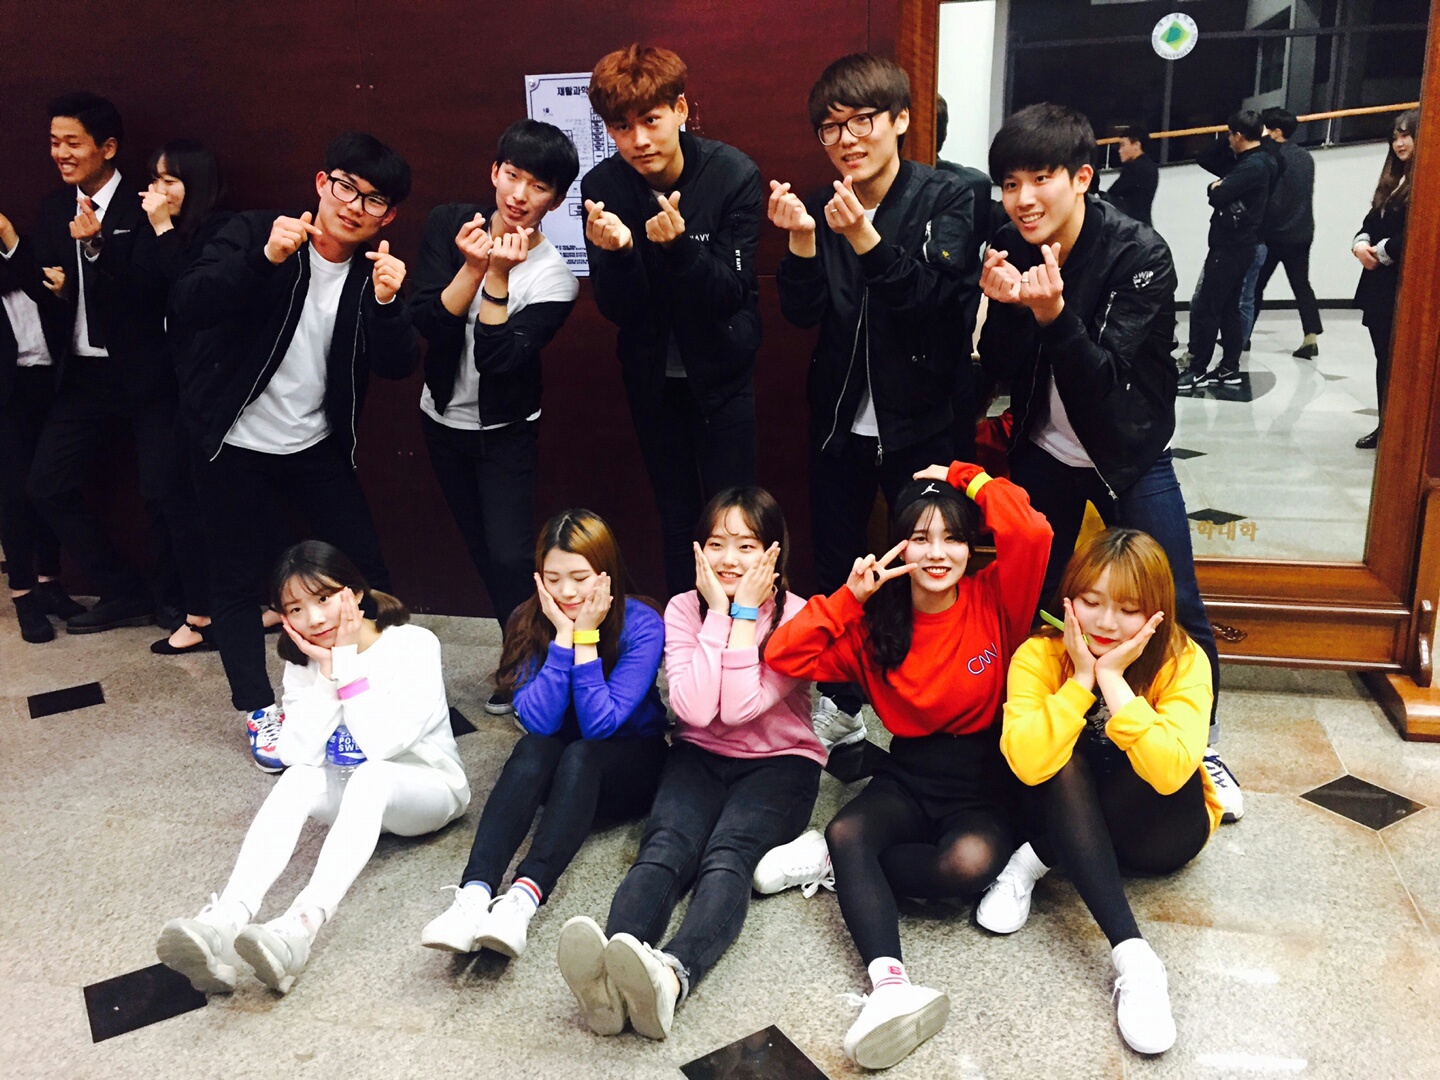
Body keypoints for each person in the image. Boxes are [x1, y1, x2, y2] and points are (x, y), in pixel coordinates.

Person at [977, 102, 1242, 824]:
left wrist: (1052, 314)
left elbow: (1105, 385)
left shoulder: (1140, 255)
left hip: (1129, 451)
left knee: (1173, 597)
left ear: (1082, 178)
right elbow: (1000, 367)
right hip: (1045, 451)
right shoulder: (1008, 242)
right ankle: (1034, 727)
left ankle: (1204, 744)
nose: (1023, 199)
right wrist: (1007, 309)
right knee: (1034, 593)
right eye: (1010, 183)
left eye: (1041, 178)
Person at [760, 461, 1051, 1069]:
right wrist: (850, 598)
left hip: (984, 776)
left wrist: (965, 475)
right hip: (911, 772)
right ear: (898, 547)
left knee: (964, 866)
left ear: (971, 547)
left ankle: (842, 868)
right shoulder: (876, 625)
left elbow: (1033, 532)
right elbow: (783, 655)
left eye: (953, 538)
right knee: (848, 831)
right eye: (921, 538)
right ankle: (890, 988)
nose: (938, 553)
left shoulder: (995, 596)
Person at [170, 132, 419, 770]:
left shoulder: (372, 273)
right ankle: (260, 711)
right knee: (234, 579)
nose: (354, 206)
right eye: (346, 187)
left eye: (374, 200)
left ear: (388, 216)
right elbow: (187, 303)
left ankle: (384, 691)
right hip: (233, 441)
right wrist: (264, 260)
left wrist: (389, 304)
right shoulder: (256, 232)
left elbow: (397, 365)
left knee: (367, 574)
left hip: (314, 444)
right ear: (320, 183)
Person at [555, 487, 823, 1041]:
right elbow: (697, 711)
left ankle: (673, 976)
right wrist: (718, 614)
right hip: (699, 754)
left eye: (746, 545)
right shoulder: (683, 608)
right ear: (699, 550)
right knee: (664, 851)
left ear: (773, 552)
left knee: (726, 857)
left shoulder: (798, 616)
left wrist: (742, 613)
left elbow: (741, 706)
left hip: (781, 762)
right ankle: (613, 976)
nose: (729, 559)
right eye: (717, 544)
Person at [771, 54, 981, 748]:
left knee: (930, 562)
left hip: (923, 421)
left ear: (900, 120)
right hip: (839, 421)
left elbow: (934, 303)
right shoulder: (822, 203)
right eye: (831, 128)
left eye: (862, 120)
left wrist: (864, 236)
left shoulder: (949, 197)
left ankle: (932, 699)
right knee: (839, 564)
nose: (847, 139)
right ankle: (842, 702)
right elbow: (802, 313)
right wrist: (803, 243)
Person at [154, 541, 470, 995]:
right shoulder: (306, 662)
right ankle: (226, 919)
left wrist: (346, 666)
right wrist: (325, 675)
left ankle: (299, 929)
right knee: (301, 778)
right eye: (296, 609)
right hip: (354, 796)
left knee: (372, 775)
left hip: (428, 790)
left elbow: (381, 746)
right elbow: (296, 754)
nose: (315, 619)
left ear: (355, 593)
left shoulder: (413, 644)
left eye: (324, 598)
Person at [980, 528, 1222, 1055]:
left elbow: (1170, 773)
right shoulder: (1040, 654)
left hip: (1161, 833)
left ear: (1157, 611)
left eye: (1129, 609)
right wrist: (1080, 680)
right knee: (1059, 762)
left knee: (1152, 754)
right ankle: (1136, 960)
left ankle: (1037, 857)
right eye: (1091, 602)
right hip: (1074, 816)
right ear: (1068, 599)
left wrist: (1113, 680)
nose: (1107, 623)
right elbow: (1026, 763)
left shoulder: (1183, 658)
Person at [419, 509, 669, 961]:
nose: (567, 592)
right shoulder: (526, 618)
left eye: (580, 578)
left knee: (582, 753)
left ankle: (522, 899)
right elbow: (538, 722)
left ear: (606, 574)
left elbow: (600, 725)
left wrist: (586, 637)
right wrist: (562, 640)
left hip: (628, 767)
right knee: (533, 746)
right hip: (559, 768)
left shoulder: (642, 621)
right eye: (553, 579)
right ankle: (473, 894)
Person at [409, 120, 581, 714]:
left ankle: (536, 662)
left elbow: (498, 357)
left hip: (505, 432)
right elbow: (428, 323)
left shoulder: (555, 277)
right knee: (481, 550)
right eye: (512, 175)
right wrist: (470, 267)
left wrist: (499, 277)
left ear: (556, 200)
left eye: (539, 186)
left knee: (510, 554)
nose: (519, 195)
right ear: (494, 172)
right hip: (441, 421)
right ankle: (519, 655)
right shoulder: (450, 225)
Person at [581, 45, 763, 599]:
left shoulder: (733, 174)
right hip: (653, 383)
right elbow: (618, 309)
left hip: (724, 378)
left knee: (735, 521)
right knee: (676, 515)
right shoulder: (604, 187)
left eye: (651, 120)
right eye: (622, 127)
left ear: (681, 109)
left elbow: (730, 294)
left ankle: (739, 627)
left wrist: (680, 248)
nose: (639, 140)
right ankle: (685, 630)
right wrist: (619, 254)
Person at [3, 93, 174, 633]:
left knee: (161, 492)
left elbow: (152, 288)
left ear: (108, 147)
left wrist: (97, 249)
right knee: (45, 486)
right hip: (82, 373)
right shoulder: (56, 208)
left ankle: (174, 601)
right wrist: (25, 260)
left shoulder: (144, 206)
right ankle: (124, 590)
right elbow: (41, 280)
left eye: (72, 143)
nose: (60, 153)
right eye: (54, 142)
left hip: (145, 371)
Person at [133, 139, 232, 656]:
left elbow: (194, 293)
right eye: (155, 179)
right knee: (175, 494)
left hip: (214, 390)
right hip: (170, 386)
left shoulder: (221, 230)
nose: (158, 189)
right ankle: (203, 610)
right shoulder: (159, 231)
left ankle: (205, 615)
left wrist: (163, 229)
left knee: (204, 498)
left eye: (169, 180)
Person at [0, 212, 84, 642]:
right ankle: (23, 594)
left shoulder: (32, 252)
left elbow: (60, 304)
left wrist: (11, 240)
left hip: (53, 383)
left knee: (50, 486)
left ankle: (51, 582)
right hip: (8, 392)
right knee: (14, 495)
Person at [1178, 109, 1275, 391]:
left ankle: (1197, 369)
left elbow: (1218, 195)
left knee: (1208, 308)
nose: (1228, 140)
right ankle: (1229, 368)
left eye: (1230, 135)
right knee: (1230, 308)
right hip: (1239, 245)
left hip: (1231, 246)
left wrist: (1215, 187)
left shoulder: (1253, 165)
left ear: (1240, 136)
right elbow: (1208, 160)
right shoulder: (1256, 160)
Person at [1352, 109, 1418, 450]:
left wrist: (1381, 251)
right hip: (1379, 287)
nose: (1399, 143)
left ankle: (1402, 431)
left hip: (1403, 287)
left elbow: (1417, 233)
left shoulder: (1427, 179)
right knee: (1385, 360)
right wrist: (1360, 243)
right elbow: (1370, 220)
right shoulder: (1395, 180)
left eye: (1406, 135)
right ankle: (1387, 425)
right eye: (1395, 137)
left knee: (1402, 363)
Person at [1253, 108, 1322, 360]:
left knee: (1255, 285)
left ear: (1276, 132)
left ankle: (1242, 335)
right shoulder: (1306, 157)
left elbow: (1272, 199)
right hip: (1302, 232)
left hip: (1274, 235)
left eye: (1265, 128)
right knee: (1302, 285)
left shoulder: (1270, 157)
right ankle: (1310, 336)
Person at [1101, 125, 1158, 228]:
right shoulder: (1152, 166)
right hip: (1145, 225)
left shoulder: (1133, 168)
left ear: (1136, 145)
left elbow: (1113, 193)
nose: (1120, 150)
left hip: (1131, 227)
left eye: (1123, 145)